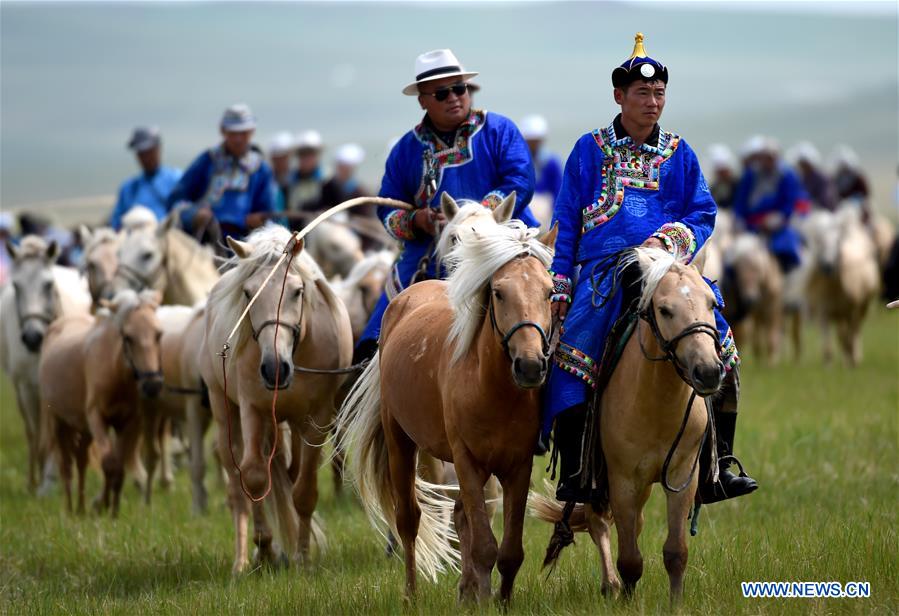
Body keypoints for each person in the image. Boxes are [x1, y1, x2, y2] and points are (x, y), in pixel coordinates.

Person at [545, 33, 757, 505]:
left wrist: (669, 240)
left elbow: (703, 213)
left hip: (668, 268)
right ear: (619, 96)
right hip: (604, 272)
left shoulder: (680, 152)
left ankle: (719, 465)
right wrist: (561, 283)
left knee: (721, 343)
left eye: (659, 93)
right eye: (642, 93)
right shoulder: (588, 149)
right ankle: (578, 469)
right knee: (572, 353)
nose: (652, 101)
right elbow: (567, 220)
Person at [355, 48, 539, 361]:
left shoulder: (499, 130)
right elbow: (387, 208)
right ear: (422, 100)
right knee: (391, 306)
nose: (454, 97)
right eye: (442, 93)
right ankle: (372, 364)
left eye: (459, 89)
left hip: (505, 240)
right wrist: (417, 221)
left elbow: (520, 180)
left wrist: (476, 218)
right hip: (433, 251)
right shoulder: (405, 150)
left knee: (554, 288)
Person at [167, 104, 278, 242]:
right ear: (223, 131)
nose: (238, 139)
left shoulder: (261, 169)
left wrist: (259, 220)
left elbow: (269, 214)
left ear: (252, 131)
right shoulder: (207, 161)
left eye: (243, 133)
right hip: (204, 240)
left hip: (244, 243)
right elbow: (175, 201)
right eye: (233, 133)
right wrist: (194, 214)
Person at [733, 136, 808, 272]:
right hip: (752, 224)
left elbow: (789, 202)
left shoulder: (786, 175)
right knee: (735, 254)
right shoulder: (750, 175)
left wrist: (778, 218)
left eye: (770, 157)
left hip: (778, 224)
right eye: (763, 157)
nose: (766, 161)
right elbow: (741, 201)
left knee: (787, 248)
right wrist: (739, 219)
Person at [109, 127, 182, 230]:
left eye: (149, 152)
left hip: (168, 236)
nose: (146, 158)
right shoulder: (128, 188)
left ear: (158, 148)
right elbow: (116, 223)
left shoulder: (176, 179)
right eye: (141, 154)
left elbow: (186, 211)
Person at [520, 114, 564, 207]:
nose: (533, 144)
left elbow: (558, 192)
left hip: (545, 208)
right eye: (530, 140)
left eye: (536, 140)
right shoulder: (516, 162)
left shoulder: (551, 162)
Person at [286, 129, 326, 224]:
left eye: (310, 154)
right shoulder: (289, 183)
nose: (306, 158)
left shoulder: (327, 182)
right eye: (303, 154)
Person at [319, 143, 370, 210]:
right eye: (341, 166)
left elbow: (366, 216)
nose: (343, 170)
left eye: (346, 167)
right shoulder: (327, 187)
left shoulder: (360, 193)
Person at [789, 142, 837, 212]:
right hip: (805, 210)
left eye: (805, 163)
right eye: (801, 164)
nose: (803, 166)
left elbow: (827, 200)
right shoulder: (801, 177)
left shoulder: (822, 177)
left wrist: (810, 203)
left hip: (822, 211)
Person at [268, 131, 295, 211]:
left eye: (283, 157)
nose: (280, 162)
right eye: (276, 158)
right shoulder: (267, 181)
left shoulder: (297, 178)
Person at [707, 143, 739, 210]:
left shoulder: (738, 186)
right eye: (720, 172)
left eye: (724, 172)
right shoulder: (713, 188)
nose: (722, 175)